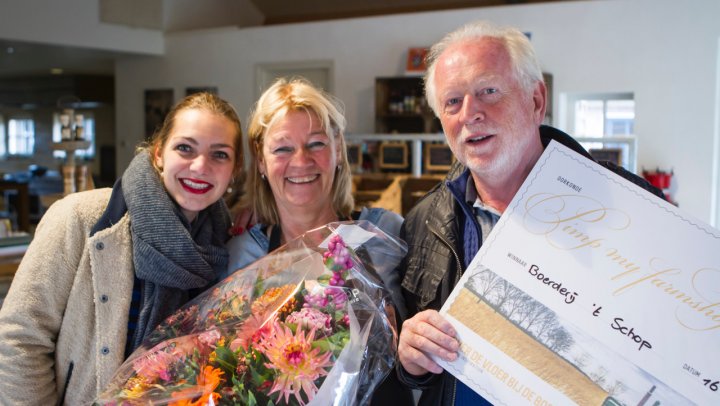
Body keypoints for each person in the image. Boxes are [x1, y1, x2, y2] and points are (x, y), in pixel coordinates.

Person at [395, 20, 664, 405]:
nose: (470, 114)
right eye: (453, 101)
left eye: (488, 91)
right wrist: (412, 359)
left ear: (536, 100)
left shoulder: (629, 204)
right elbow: (416, 375)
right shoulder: (423, 222)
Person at [0, 92, 244, 405]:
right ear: (158, 154)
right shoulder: (80, 218)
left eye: (219, 155)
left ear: (234, 169)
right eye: (185, 148)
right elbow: (19, 338)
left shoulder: (225, 245)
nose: (200, 166)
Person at [225, 77, 414, 406]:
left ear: (338, 149)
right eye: (283, 148)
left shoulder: (385, 234)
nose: (301, 161)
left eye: (316, 144)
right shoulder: (245, 254)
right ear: (261, 161)